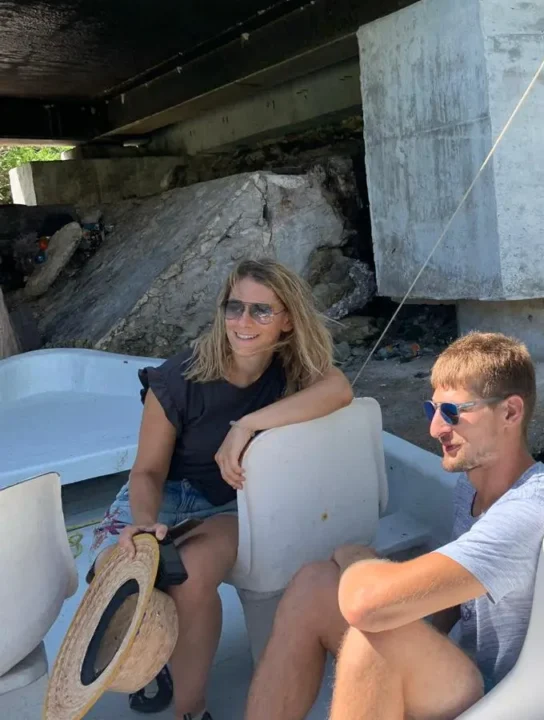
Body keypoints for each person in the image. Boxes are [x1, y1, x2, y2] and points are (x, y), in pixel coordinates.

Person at [244, 332, 544, 720]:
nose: (435, 428)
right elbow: (456, 601)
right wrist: (422, 640)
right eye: (431, 410)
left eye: (452, 412)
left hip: (510, 700)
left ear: (510, 413)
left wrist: (357, 559)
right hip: (465, 675)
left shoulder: (531, 509)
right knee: (313, 586)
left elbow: (366, 604)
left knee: (376, 634)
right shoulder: (470, 488)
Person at [87, 258, 354, 720]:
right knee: (117, 579)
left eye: (261, 310)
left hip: (227, 504)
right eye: (235, 307)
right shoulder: (179, 378)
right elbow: (147, 471)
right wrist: (145, 523)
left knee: (189, 577)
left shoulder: (291, 370)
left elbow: (340, 389)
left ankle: (191, 711)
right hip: (161, 495)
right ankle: (154, 658)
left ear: (288, 320)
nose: (243, 321)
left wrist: (246, 424)